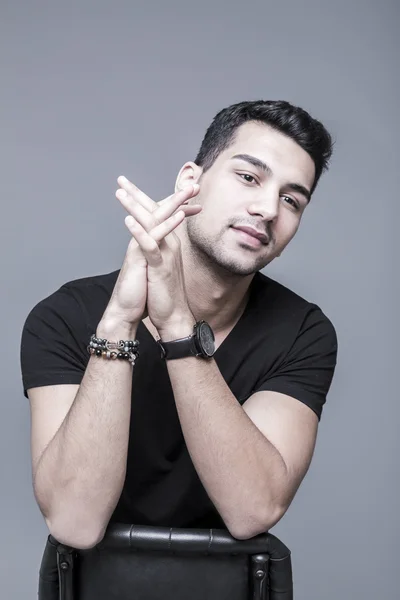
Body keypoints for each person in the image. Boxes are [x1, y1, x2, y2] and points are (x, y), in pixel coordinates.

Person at [20, 100, 338, 555]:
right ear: (192, 182)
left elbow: (253, 509)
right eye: (248, 177)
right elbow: (74, 522)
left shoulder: (303, 333)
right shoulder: (63, 317)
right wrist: (118, 322)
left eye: (291, 199)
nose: (268, 208)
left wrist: (176, 325)